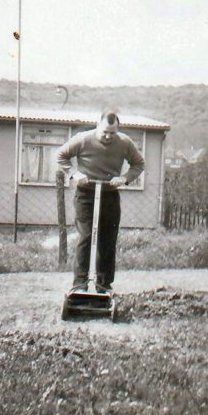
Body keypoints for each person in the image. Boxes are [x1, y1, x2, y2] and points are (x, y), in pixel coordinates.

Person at [57, 110, 145, 293]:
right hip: (85, 194)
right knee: (87, 237)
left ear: (117, 130)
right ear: (98, 126)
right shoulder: (83, 139)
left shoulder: (124, 142)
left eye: (112, 133)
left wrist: (125, 178)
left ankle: (103, 285)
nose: (108, 136)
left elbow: (138, 164)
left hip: (109, 194)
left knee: (108, 240)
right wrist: (74, 174)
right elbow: (61, 156)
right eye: (105, 131)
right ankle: (79, 285)